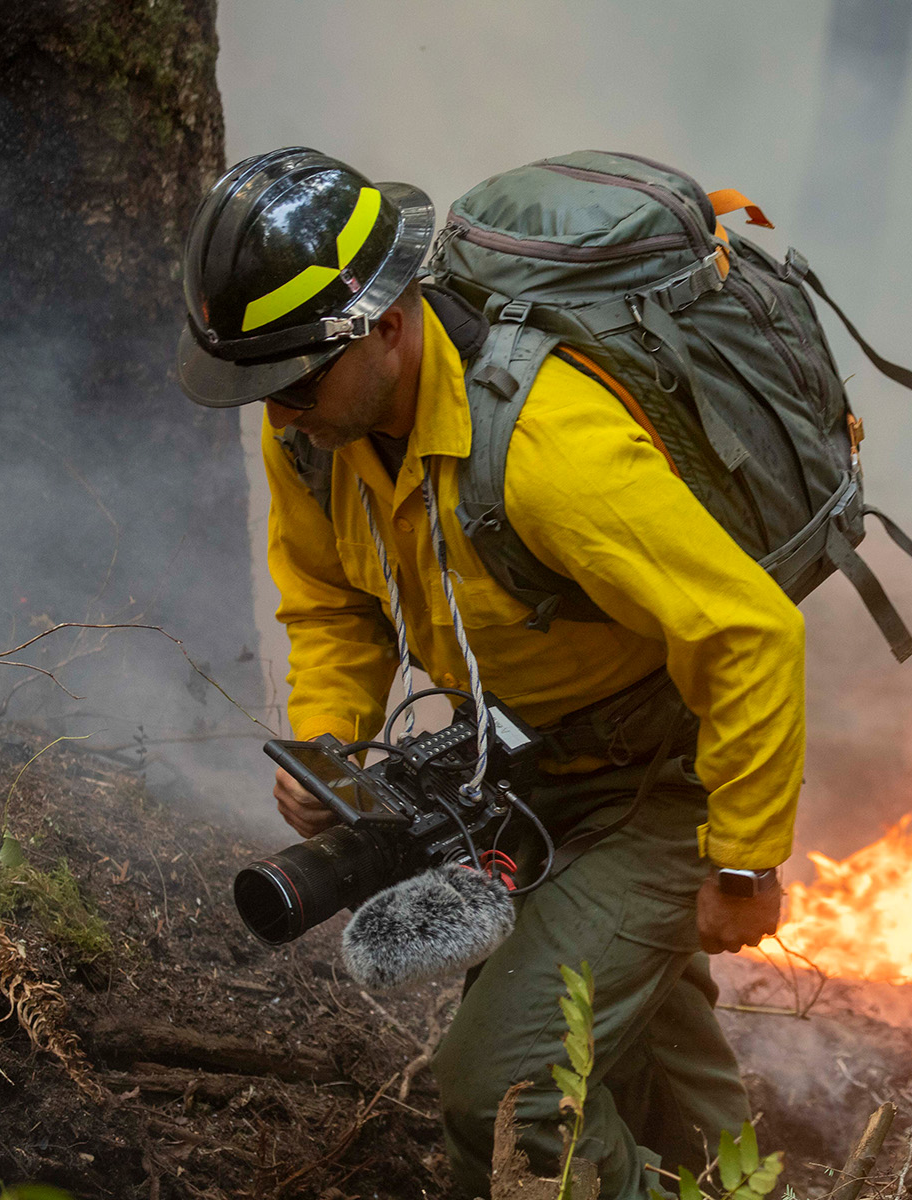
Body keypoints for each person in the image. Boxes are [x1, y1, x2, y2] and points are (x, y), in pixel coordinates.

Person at [176, 147, 802, 1199]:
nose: (277, 411)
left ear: (387, 323)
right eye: (261, 385)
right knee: (654, 1063)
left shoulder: (549, 446)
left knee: (507, 1092)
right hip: (522, 765)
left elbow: (749, 633)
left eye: (296, 380)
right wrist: (329, 745)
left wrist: (742, 864)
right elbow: (332, 599)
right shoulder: (317, 436)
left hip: (658, 786)